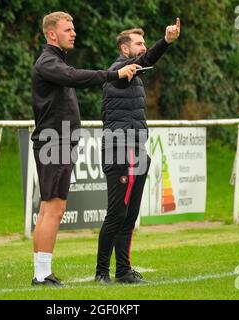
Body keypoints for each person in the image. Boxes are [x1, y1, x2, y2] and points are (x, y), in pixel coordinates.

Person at [31, 11, 140, 286]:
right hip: (54, 141)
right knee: (53, 208)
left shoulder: (56, 61)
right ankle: (42, 275)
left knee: (49, 208)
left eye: (73, 28)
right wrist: (113, 74)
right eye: (68, 29)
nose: (74, 33)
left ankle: (41, 273)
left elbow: (72, 76)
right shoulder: (48, 62)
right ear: (52, 34)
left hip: (60, 140)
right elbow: (76, 76)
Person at [95, 18, 181, 284]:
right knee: (116, 214)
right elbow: (145, 61)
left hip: (136, 151)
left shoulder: (135, 75)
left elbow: (144, 62)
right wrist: (165, 42)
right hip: (119, 151)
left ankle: (123, 271)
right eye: (139, 43)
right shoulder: (119, 71)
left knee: (130, 215)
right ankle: (101, 273)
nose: (143, 48)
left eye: (145, 43)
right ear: (124, 49)